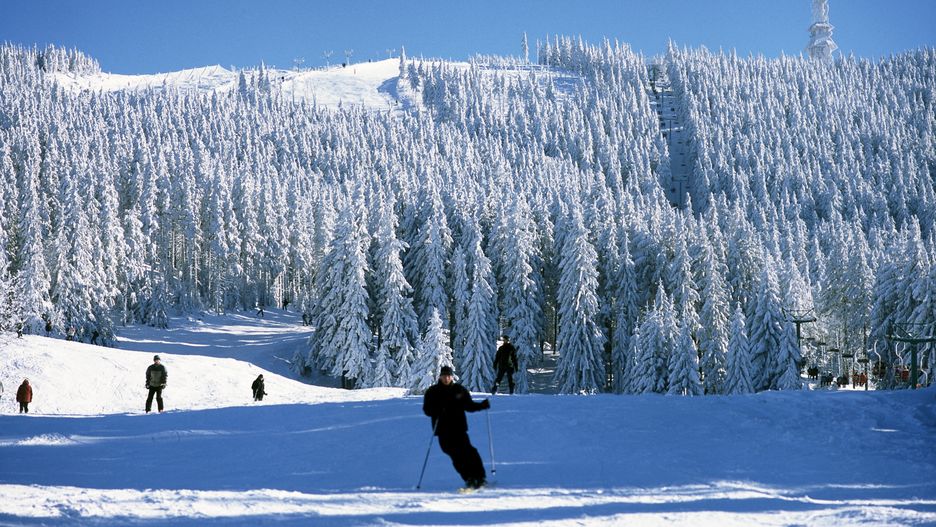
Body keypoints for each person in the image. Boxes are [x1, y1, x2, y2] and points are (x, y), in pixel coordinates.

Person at [422, 365, 490, 489]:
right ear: (440, 377)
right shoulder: (433, 392)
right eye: (444, 376)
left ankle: (480, 478)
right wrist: (436, 409)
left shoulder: (459, 390)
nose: (446, 378)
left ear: (452, 376)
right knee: (456, 456)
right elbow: (427, 410)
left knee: (470, 453)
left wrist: (482, 406)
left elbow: (469, 406)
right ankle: (469, 478)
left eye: (448, 376)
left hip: (459, 429)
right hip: (442, 431)